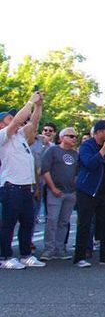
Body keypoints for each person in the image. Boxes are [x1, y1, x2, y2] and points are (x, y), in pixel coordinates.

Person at [1, 91, 45, 269]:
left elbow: (33, 123)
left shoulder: (19, 136)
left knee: (28, 222)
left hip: (26, 187)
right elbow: (17, 122)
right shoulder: (3, 135)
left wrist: (38, 106)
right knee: (8, 224)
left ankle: (26, 255)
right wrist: (30, 102)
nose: (13, 119)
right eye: (8, 118)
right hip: (11, 186)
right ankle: (5, 257)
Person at [74, 120, 105, 267]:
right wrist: (103, 150)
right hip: (87, 190)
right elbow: (90, 164)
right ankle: (80, 257)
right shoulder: (87, 146)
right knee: (85, 224)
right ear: (99, 132)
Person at [38, 127, 79, 261]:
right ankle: (48, 249)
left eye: (75, 137)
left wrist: (75, 189)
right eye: (71, 136)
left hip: (70, 192)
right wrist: (53, 187)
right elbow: (45, 170)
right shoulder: (53, 150)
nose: (74, 139)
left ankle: (59, 249)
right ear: (62, 138)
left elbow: (77, 173)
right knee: (52, 220)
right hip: (55, 191)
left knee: (64, 222)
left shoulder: (75, 154)